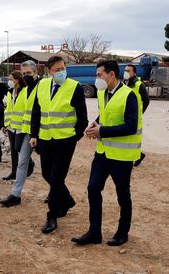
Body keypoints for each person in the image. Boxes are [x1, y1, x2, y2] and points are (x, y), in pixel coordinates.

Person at [72, 60, 141, 246]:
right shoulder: (103, 93)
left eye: (99, 75)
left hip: (121, 157)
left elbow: (131, 126)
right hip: (102, 154)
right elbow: (105, 113)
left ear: (111, 75)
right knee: (93, 189)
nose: (97, 79)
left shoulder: (129, 95)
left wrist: (102, 131)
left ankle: (122, 232)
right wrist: (95, 123)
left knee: (122, 196)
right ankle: (94, 232)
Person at [30, 55, 88, 233]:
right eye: (57, 70)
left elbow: (82, 119)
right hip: (45, 140)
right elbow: (36, 112)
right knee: (48, 174)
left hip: (65, 142)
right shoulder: (42, 85)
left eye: (63, 68)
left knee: (56, 178)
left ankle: (52, 216)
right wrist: (34, 135)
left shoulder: (74, 87)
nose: (61, 72)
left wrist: (73, 139)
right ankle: (68, 200)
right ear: (49, 71)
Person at [0, 70, 33, 207]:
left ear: (17, 80)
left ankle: (15, 194)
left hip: (27, 131)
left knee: (22, 162)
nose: (9, 81)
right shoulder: (10, 92)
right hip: (13, 129)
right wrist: (6, 124)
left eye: (11, 79)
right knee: (18, 155)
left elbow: (29, 112)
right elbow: (8, 110)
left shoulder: (27, 92)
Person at [123, 64, 149, 166]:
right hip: (124, 115)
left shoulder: (139, 85)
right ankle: (139, 155)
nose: (126, 72)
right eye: (125, 70)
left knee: (133, 139)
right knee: (126, 138)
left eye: (128, 71)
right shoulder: (124, 83)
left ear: (134, 73)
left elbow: (146, 101)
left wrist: (140, 113)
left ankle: (137, 156)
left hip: (135, 117)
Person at [21, 60, 41, 178]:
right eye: (23, 74)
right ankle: (16, 194)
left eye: (28, 73)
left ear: (35, 72)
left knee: (48, 168)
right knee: (22, 161)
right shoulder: (25, 88)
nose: (26, 76)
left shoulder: (42, 86)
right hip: (27, 130)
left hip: (42, 132)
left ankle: (53, 194)